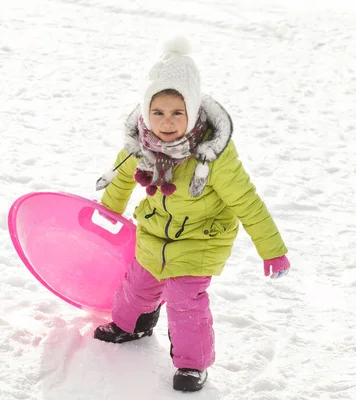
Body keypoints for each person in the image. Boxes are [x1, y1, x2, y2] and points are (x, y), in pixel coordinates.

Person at [93, 36, 291, 392]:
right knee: (136, 287)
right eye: (158, 112)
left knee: (185, 304)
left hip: (200, 240)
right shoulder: (141, 146)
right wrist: (104, 218)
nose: (167, 123)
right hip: (154, 235)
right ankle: (132, 324)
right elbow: (122, 180)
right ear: (145, 113)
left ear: (194, 110)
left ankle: (192, 365)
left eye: (177, 112)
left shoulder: (213, 157)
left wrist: (272, 248)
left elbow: (247, 201)